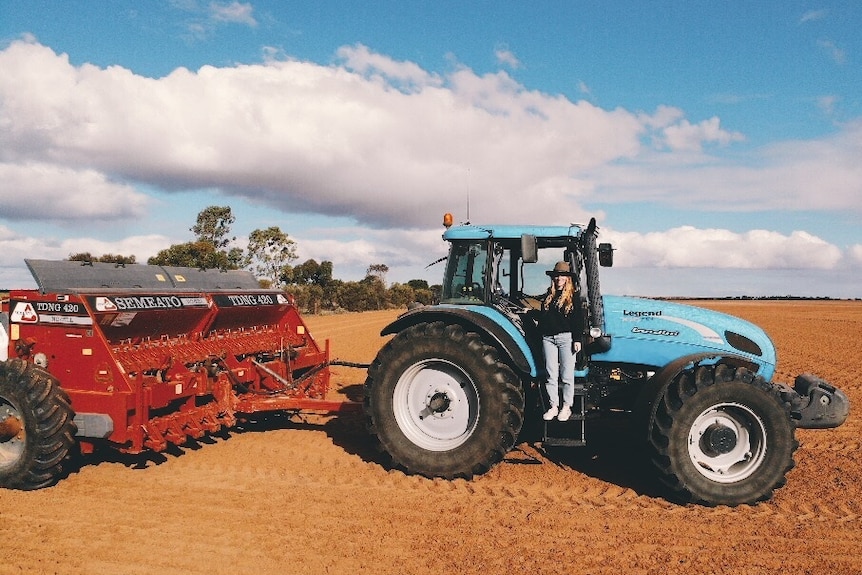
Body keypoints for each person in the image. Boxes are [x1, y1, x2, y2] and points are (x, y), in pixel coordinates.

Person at [537, 261, 583, 422]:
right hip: (548, 339)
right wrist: (530, 314)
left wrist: (577, 339)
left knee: (567, 375)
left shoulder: (573, 297)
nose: (559, 278)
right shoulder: (548, 296)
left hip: (565, 338)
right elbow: (544, 318)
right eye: (557, 276)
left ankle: (566, 407)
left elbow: (578, 319)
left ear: (568, 278)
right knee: (551, 374)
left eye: (562, 275)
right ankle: (553, 406)